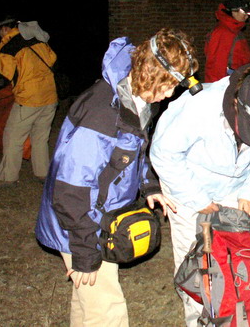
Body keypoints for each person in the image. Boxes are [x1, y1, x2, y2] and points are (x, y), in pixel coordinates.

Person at [34, 28, 198, 327]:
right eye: (166, 85)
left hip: (101, 215)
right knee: (107, 310)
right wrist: (85, 250)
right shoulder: (101, 114)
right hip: (81, 223)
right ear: (149, 73)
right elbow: (70, 190)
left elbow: (135, 150)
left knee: (88, 301)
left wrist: (149, 185)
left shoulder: (134, 97)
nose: (169, 94)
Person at [149, 62, 250, 326]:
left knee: (231, 256)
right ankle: (199, 320)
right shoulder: (200, 107)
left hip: (234, 187)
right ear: (236, 104)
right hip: (187, 181)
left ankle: (233, 315)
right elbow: (163, 154)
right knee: (197, 260)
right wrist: (196, 197)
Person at [0, 15, 58, 188]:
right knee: (40, 137)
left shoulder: (8, 47)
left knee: (13, 138)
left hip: (28, 99)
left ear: (5, 29)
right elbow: (52, 59)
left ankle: (7, 178)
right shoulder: (37, 38)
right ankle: (43, 173)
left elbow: (2, 79)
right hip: (50, 95)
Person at [203, 0, 250, 83]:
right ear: (233, 11)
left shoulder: (234, 30)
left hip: (236, 78)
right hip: (226, 82)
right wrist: (219, 87)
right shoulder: (223, 32)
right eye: (244, 13)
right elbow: (216, 65)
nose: (247, 16)